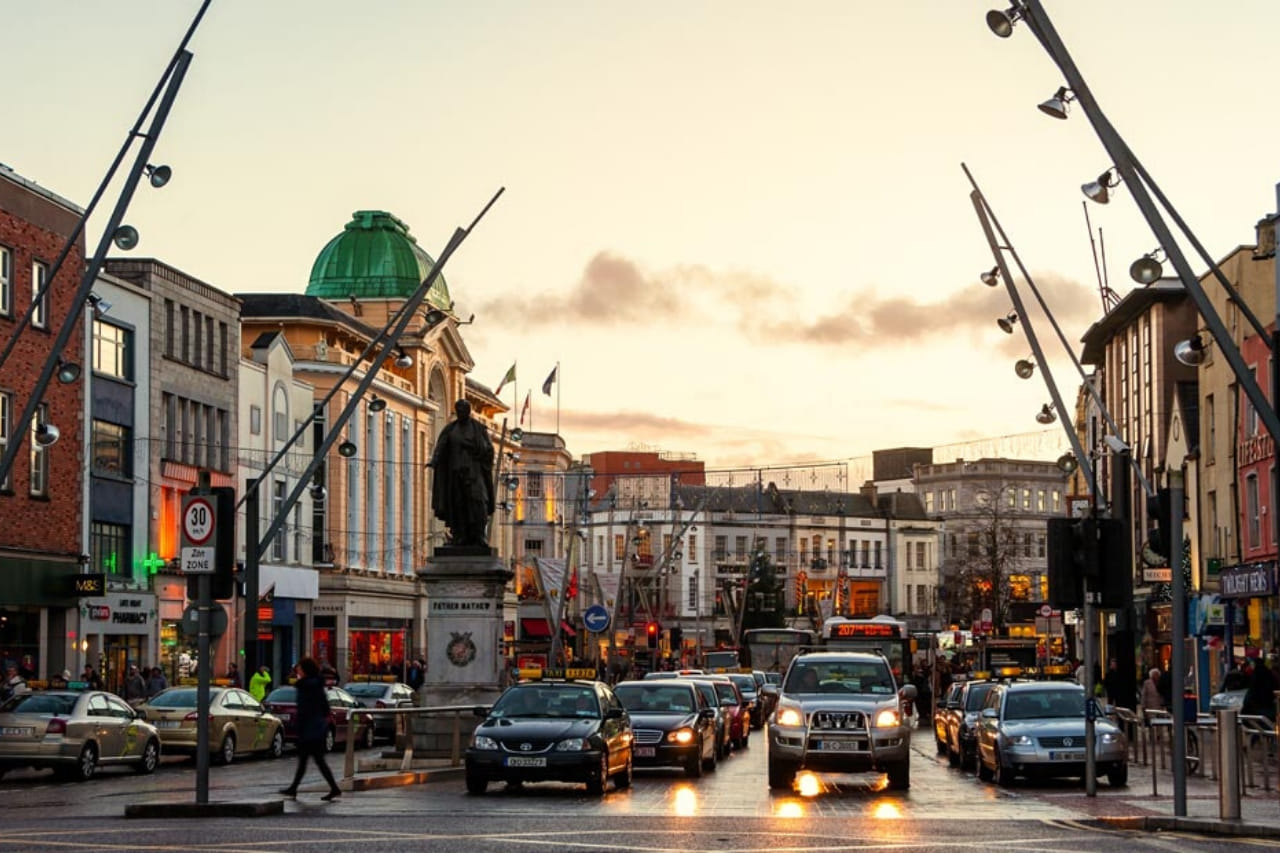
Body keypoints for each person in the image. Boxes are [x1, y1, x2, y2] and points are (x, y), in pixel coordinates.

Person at [427, 400, 495, 547]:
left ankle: (478, 535)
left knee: (479, 502)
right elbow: (441, 447)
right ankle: (460, 535)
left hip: (474, 474)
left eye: (463, 411)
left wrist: (471, 446)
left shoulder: (478, 429)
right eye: (458, 411)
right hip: (456, 475)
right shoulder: (451, 429)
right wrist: (435, 460)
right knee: (458, 506)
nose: (460, 414)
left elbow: (489, 450)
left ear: (469, 411)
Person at [279, 658, 342, 801]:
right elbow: (324, 707)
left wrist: (303, 723)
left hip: (310, 728)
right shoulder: (315, 685)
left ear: (305, 670)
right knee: (311, 760)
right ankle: (295, 788)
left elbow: (306, 708)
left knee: (312, 760)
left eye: (299, 669)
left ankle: (332, 788)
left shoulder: (307, 686)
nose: (297, 671)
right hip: (315, 727)